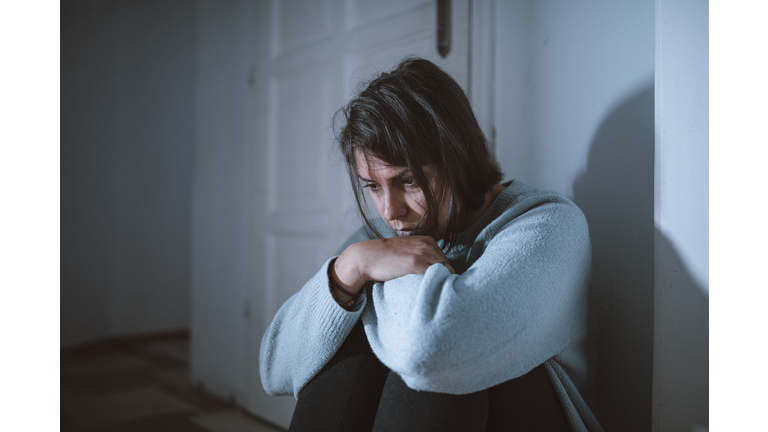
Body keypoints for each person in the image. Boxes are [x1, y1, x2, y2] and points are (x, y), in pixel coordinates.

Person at [259, 58, 603, 432]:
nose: (391, 211)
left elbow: (432, 351)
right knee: (348, 326)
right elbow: (275, 367)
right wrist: (349, 269)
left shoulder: (547, 224)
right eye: (373, 186)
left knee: (442, 360)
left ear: (458, 156)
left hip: (527, 414)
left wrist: (395, 276)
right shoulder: (374, 242)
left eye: (407, 181)